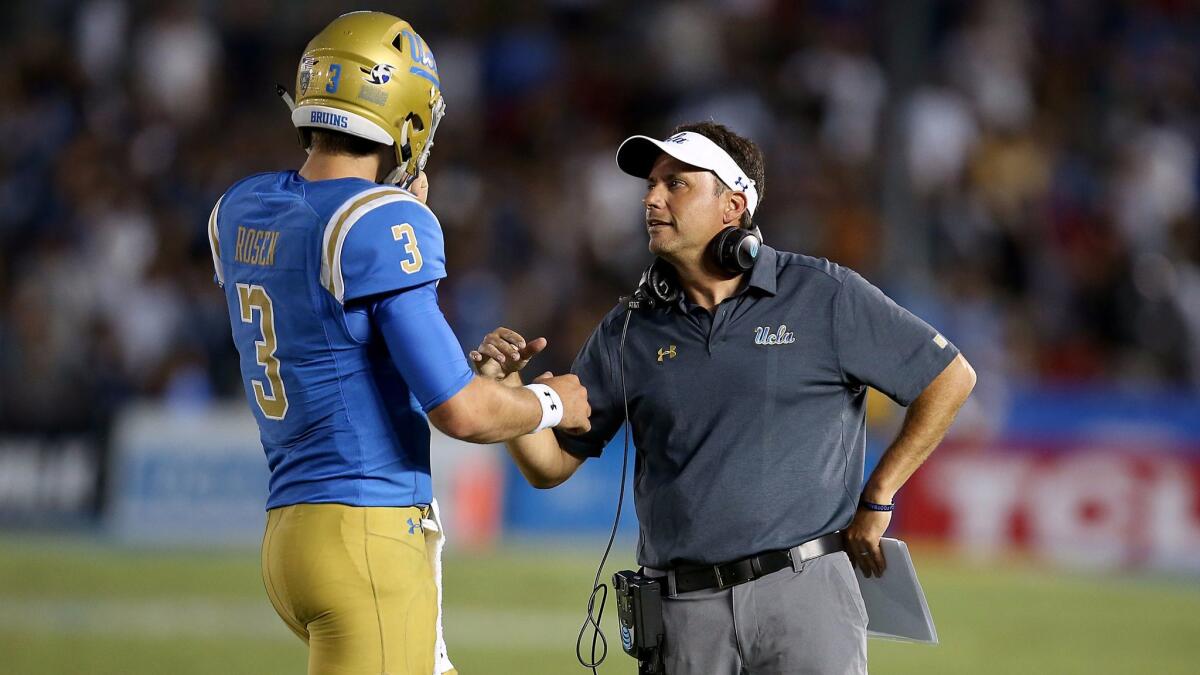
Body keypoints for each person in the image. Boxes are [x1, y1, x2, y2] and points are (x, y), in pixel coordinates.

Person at [471, 121, 976, 674]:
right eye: (650, 185)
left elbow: (949, 378)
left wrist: (879, 495)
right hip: (684, 612)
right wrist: (508, 389)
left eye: (676, 183)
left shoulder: (820, 294)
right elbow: (550, 466)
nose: (652, 198)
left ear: (733, 205)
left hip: (807, 595)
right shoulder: (629, 329)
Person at [205, 12, 590, 675]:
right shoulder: (384, 221)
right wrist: (550, 404)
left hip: (290, 533)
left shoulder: (241, 206)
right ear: (405, 114)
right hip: (366, 530)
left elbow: (331, 319)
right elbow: (461, 412)